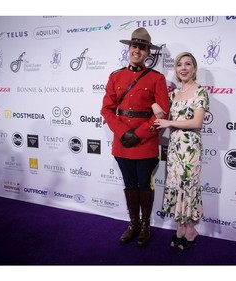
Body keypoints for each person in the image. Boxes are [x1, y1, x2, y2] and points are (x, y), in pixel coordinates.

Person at [100, 27, 169, 247]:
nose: (137, 51)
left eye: (142, 47)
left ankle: (146, 225)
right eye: (134, 46)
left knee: (144, 186)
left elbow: (162, 113)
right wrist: (123, 133)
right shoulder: (115, 76)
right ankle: (133, 224)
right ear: (129, 49)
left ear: (148, 52)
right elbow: (107, 110)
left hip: (146, 143)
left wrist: (138, 135)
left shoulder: (157, 79)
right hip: (122, 143)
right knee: (129, 184)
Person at [154, 52, 209, 250]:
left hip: (190, 147)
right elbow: (159, 110)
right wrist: (154, 105)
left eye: (188, 64)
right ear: (176, 70)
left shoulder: (200, 92)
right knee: (176, 185)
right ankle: (180, 228)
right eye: (179, 65)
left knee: (188, 186)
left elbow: (197, 122)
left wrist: (169, 122)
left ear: (194, 68)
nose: (183, 68)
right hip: (174, 146)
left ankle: (191, 230)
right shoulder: (173, 94)